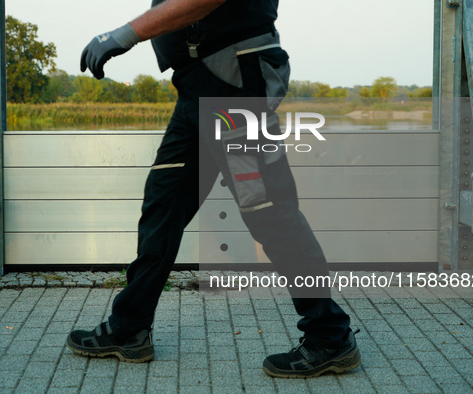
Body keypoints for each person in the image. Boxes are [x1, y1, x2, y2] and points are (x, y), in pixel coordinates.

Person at [66, 0, 361, 378]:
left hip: (233, 82)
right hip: (196, 86)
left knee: (271, 214)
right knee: (163, 206)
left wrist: (124, 34)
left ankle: (331, 338)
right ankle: (128, 328)